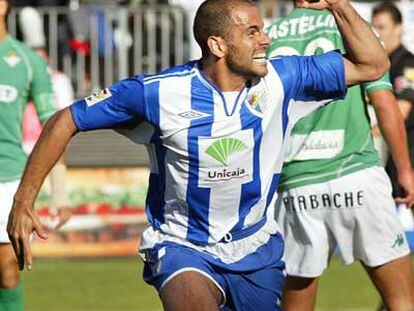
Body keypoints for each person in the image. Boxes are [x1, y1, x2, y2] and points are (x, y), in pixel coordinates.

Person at [7, 0, 389, 310]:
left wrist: (338, 4)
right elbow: (66, 119)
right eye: (251, 31)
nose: (266, 39)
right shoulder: (158, 93)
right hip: (182, 246)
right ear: (217, 45)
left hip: (256, 248)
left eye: (262, 29)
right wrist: (25, 199)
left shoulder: (281, 79)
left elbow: (374, 64)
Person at [266, 2, 414, 310]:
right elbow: (384, 103)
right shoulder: (353, 28)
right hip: (356, 171)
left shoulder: (267, 36)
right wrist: (405, 170)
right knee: (402, 302)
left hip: (297, 183)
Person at [0, 0, 69, 310]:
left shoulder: (27, 61)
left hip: (7, 179)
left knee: (6, 272)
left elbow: (53, 127)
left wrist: (60, 193)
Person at [372, 2, 414, 208]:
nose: (377, 33)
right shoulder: (374, 66)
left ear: (399, 27)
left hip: (409, 153)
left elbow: (401, 111)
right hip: (389, 157)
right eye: (374, 28)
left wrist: (362, 134)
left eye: (382, 27)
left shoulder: (407, 64)